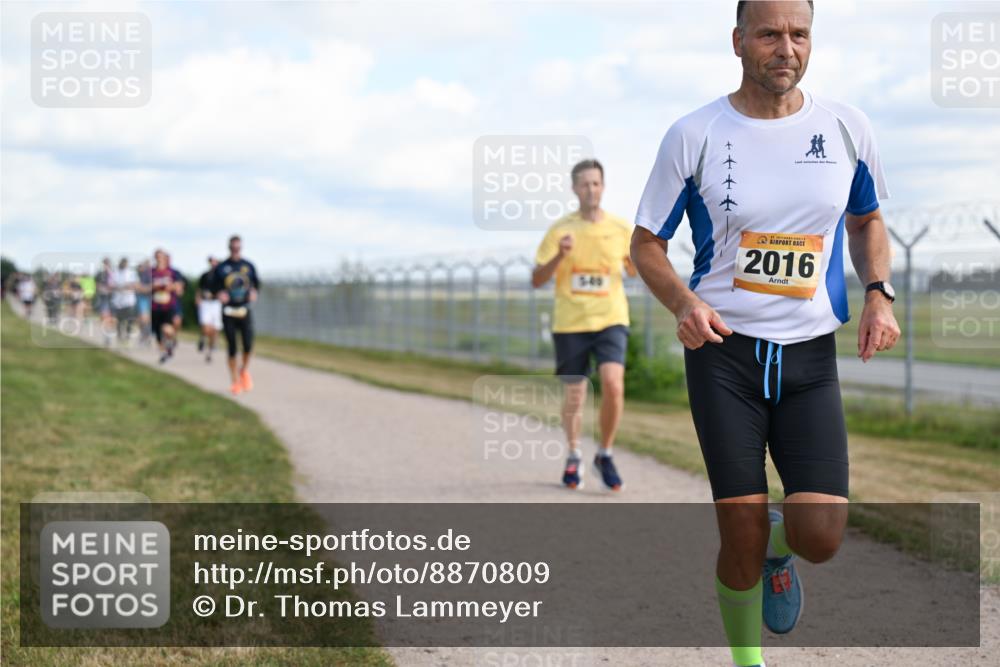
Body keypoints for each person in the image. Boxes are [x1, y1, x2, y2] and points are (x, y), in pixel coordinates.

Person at [630, 3, 899, 666]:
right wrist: (683, 302)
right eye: (770, 33)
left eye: (799, 34)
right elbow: (645, 246)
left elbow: (866, 222)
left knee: (822, 534)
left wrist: (878, 293)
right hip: (724, 353)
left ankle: (784, 551)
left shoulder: (845, 128)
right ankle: (748, 658)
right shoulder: (693, 134)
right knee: (739, 526)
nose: (786, 48)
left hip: (810, 357)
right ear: (739, 41)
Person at [531, 159, 636, 492]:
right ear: (574, 189)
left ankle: (604, 453)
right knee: (576, 394)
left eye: (596, 183)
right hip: (571, 321)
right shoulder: (561, 229)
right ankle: (574, 453)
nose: (591, 189)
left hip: (611, 318)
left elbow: (636, 271)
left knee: (613, 384)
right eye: (585, 184)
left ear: (603, 187)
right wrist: (559, 257)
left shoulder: (622, 229)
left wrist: (636, 262)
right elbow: (536, 279)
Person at [211, 235, 260, 395]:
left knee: (247, 345)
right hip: (228, 311)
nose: (235, 250)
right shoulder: (222, 268)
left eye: (238, 247)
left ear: (241, 248)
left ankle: (244, 370)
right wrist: (219, 294)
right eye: (233, 247)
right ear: (229, 248)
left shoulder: (249, 266)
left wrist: (253, 292)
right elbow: (213, 288)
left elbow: (256, 285)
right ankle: (234, 381)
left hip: (244, 309)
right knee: (232, 346)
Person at [150, 250, 182, 363]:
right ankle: (164, 353)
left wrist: (170, 286)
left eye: (161, 257)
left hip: (168, 306)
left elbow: (179, 288)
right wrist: (154, 286)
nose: (159, 259)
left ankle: (172, 341)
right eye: (157, 257)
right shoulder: (151, 272)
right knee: (158, 334)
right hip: (155, 306)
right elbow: (144, 287)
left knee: (167, 329)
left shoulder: (172, 272)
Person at [196, 256, 222, 363]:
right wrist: (198, 298)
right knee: (206, 327)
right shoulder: (205, 275)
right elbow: (199, 288)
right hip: (206, 303)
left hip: (216, 303)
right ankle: (203, 337)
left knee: (215, 329)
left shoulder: (222, 277)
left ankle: (209, 352)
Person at [111, 257, 139, 344]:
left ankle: (128, 335)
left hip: (129, 300)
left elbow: (135, 284)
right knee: (119, 320)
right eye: (122, 263)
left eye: (125, 263)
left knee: (130, 319)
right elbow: (112, 284)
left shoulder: (132, 273)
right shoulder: (115, 272)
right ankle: (119, 336)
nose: (123, 264)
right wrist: (118, 287)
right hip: (118, 301)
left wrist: (125, 286)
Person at [94, 258, 115, 346]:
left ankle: (110, 333)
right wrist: (102, 289)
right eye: (105, 264)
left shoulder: (114, 273)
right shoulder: (99, 274)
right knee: (104, 316)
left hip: (114, 299)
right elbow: (97, 285)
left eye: (107, 264)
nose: (106, 265)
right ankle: (107, 336)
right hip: (104, 298)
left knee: (112, 319)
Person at [136, 259, 153, 345]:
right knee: (141, 319)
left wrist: (142, 288)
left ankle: (146, 336)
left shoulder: (150, 275)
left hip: (147, 298)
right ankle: (144, 335)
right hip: (141, 298)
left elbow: (151, 287)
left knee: (146, 318)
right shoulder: (140, 275)